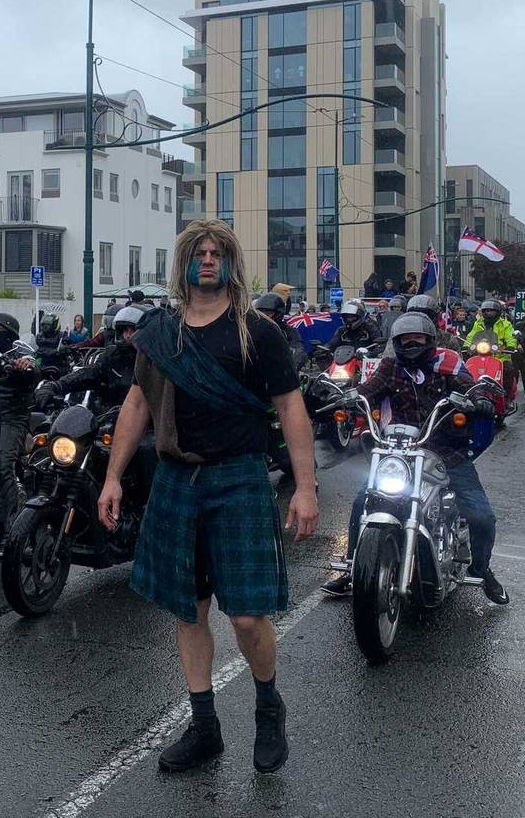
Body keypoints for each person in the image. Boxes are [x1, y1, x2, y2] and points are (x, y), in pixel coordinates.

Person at [98, 220, 319, 775]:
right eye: (198, 251)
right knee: (188, 609)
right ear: (183, 263)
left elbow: (291, 407)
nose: (207, 258)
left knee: (246, 618)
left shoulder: (257, 333)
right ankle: (205, 727)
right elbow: (136, 406)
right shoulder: (160, 333)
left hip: (240, 478)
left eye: (218, 251)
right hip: (178, 481)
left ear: (231, 263)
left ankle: (269, 706)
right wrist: (112, 476)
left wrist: (306, 488)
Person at [320, 313, 508, 605]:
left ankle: (482, 569)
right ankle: (355, 566)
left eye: (417, 338)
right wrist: (347, 395)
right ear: (396, 343)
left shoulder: (448, 363)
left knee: (482, 516)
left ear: (430, 340)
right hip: (399, 449)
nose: (411, 343)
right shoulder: (391, 366)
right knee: (363, 501)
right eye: (404, 339)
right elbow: (368, 388)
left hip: (447, 451)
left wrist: (479, 398)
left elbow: (470, 385)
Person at [0, 312, 36, 543]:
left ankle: (10, 533)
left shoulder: (20, 357)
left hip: (12, 419)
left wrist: (22, 368)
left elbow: (34, 372)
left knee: (3, 466)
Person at [59, 305, 143, 411]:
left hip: (140, 419)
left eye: (133, 330)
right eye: (124, 330)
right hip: (111, 415)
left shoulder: (151, 362)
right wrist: (58, 385)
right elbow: (90, 373)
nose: (128, 336)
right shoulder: (112, 356)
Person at [254, 292, 306, 372]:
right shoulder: (252, 330)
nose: (264, 316)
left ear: (278, 313)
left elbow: (298, 351)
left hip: (279, 373)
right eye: (261, 313)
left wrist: (289, 369)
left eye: (268, 314)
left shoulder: (288, 331)